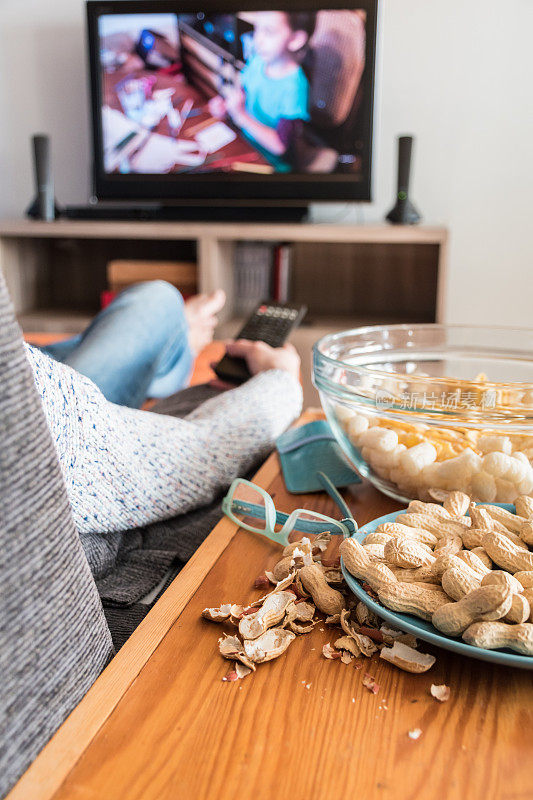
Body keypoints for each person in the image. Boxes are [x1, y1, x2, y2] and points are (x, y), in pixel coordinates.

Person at [25, 280, 302, 535]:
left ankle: (174, 350)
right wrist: (280, 380)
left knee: (158, 299)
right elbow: (185, 462)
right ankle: (176, 352)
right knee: (161, 304)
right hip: (42, 397)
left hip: (30, 365)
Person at [209, 11, 314, 157]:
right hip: (244, 141)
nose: (258, 39)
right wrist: (225, 105)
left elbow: (279, 146)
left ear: (295, 39)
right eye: (257, 29)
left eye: (269, 32)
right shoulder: (258, 60)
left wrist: (240, 116)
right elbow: (243, 92)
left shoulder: (294, 87)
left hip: (267, 159)